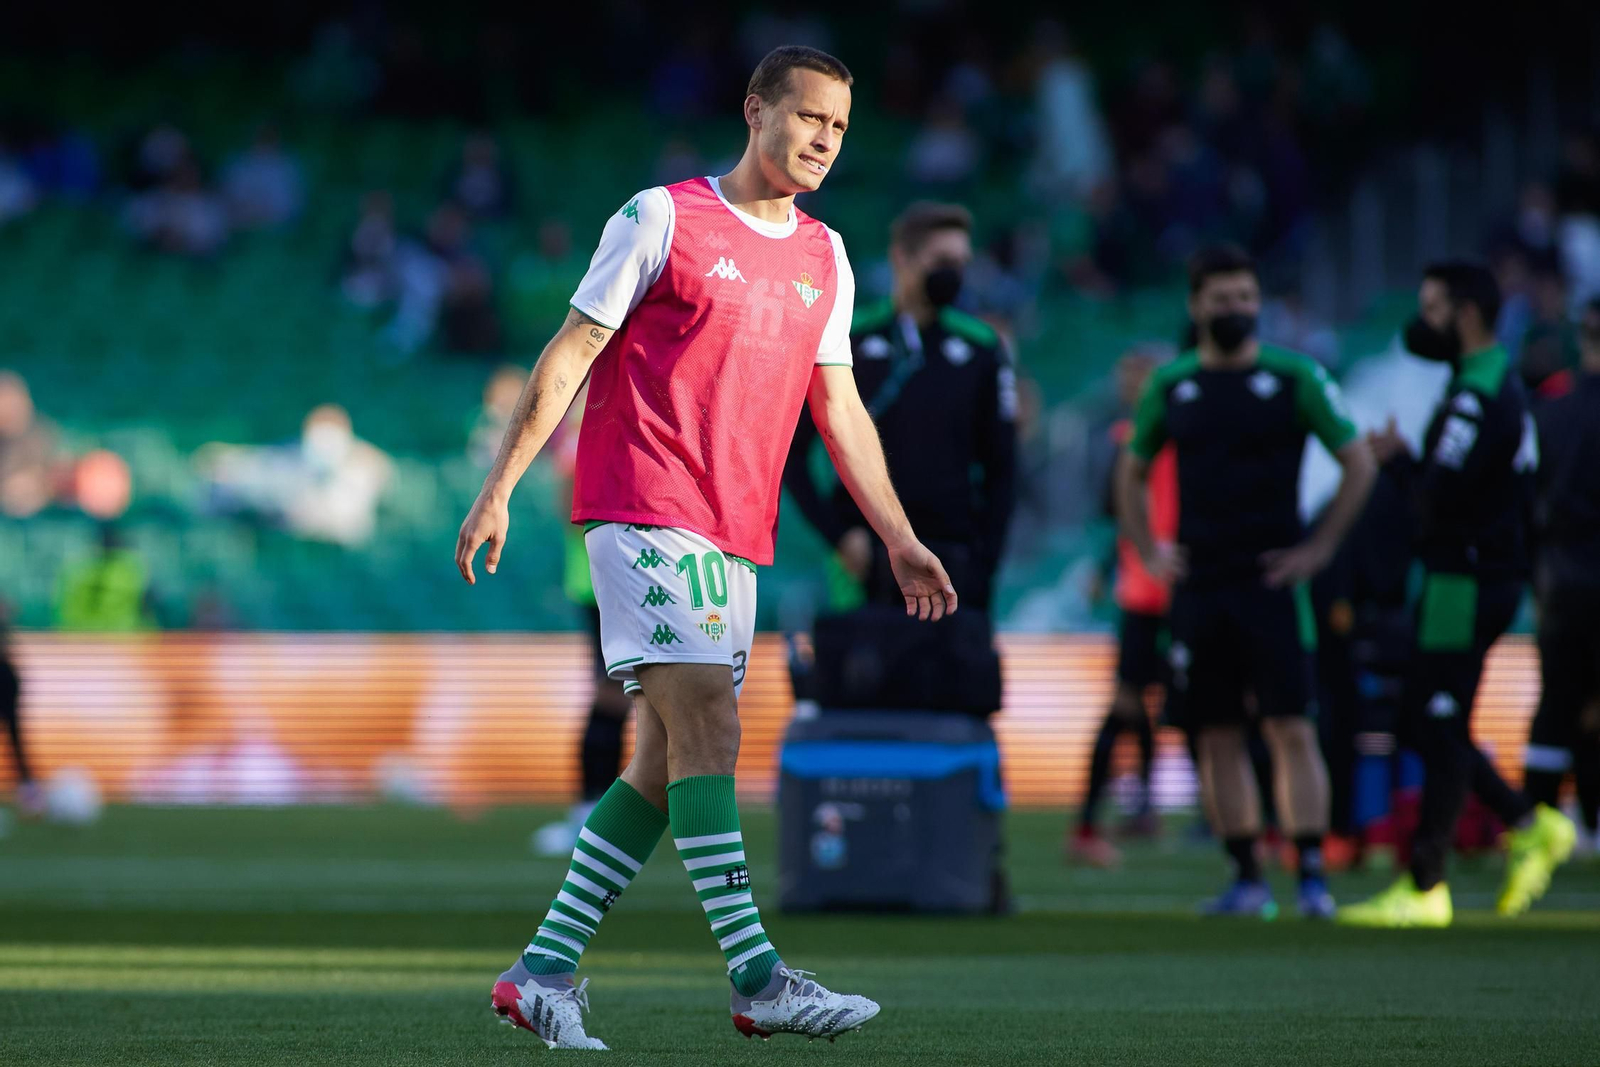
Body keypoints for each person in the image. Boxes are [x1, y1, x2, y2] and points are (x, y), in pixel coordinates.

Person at [455, 46, 956, 1050]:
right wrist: (500, 487)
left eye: (839, 126)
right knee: (711, 728)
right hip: (642, 502)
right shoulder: (661, 218)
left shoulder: (828, 255)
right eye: (807, 115)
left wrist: (897, 533)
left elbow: (839, 405)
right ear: (754, 109)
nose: (822, 137)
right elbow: (572, 348)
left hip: (735, 532)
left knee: (659, 759)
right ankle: (759, 978)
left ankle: (541, 972)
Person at [1118, 245, 1376, 920]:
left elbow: (1359, 463)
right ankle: (1245, 878)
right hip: (1200, 583)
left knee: (1291, 725)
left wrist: (1318, 549)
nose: (1233, 309)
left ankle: (1312, 877)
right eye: (1220, 298)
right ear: (1196, 305)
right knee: (1216, 731)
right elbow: (1131, 469)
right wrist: (1149, 547)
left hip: (1273, 582)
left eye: (1243, 297)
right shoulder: (1171, 384)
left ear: (1256, 302)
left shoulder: (1295, 376)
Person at [1340, 262, 1576, 928]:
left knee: (1434, 718)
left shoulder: (1477, 394)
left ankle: (1429, 881)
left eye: (1434, 306)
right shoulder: (1489, 384)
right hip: (1473, 576)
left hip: (1464, 581)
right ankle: (1522, 823)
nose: (1423, 320)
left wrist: (1395, 459)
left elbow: (1433, 500)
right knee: (1429, 717)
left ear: (1466, 313)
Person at [783, 200, 1016, 614]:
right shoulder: (847, 342)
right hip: (864, 560)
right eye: (942, 260)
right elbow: (792, 454)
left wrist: (985, 564)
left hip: (954, 557)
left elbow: (1003, 470)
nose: (954, 273)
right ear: (901, 258)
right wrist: (839, 538)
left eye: (961, 263)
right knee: (863, 677)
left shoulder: (983, 349)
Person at [1071, 351, 1176, 868]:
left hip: (1182, 590)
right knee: (1130, 703)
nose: (1131, 385)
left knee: (1161, 707)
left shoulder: (1181, 434)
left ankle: (1140, 810)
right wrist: (1103, 567)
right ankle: (1093, 820)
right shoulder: (1127, 440)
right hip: (1145, 592)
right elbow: (1119, 515)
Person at [1521, 296, 1600, 854]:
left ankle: (1537, 823)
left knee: (1556, 702)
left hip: (1559, 581)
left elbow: (1526, 503)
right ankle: (1592, 820)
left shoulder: (1551, 412)